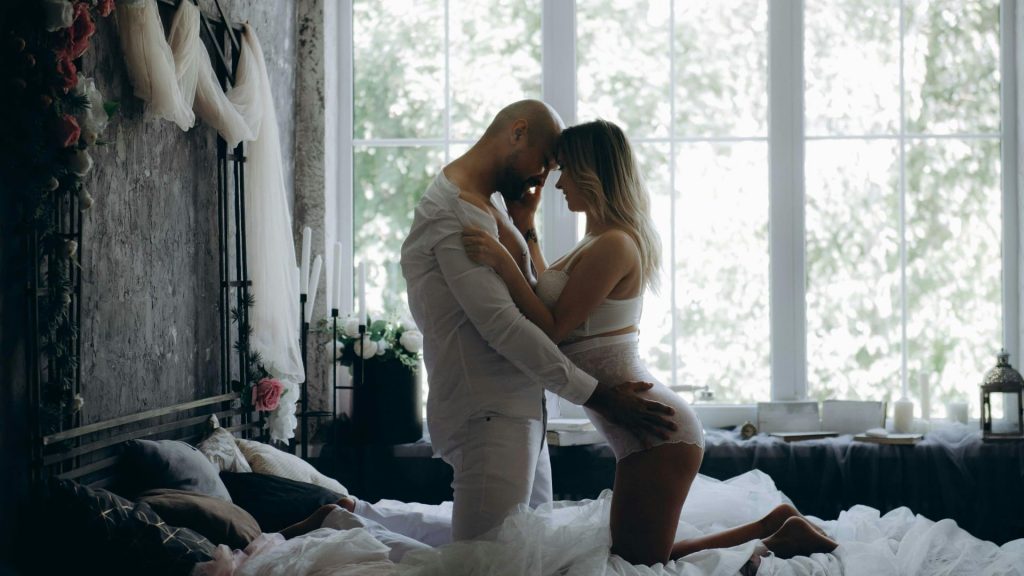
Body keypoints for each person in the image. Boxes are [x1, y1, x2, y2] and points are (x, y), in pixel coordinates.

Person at [461, 119, 838, 564]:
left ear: (592, 173)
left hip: (658, 433)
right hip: (643, 429)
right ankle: (772, 527)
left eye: (565, 170)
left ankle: (773, 538)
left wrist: (503, 263)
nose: (557, 183)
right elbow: (550, 292)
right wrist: (525, 227)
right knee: (636, 558)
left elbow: (553, 328)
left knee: (638, 566)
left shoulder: (615, 245)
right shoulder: (597, 239)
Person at [400, 100, 679, 543]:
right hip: (488, 414)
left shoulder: (490, 210)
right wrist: (600, 397)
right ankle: (344, 518)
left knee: (529, 556)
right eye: (547, 162)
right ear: (517, 132)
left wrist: (521, 231)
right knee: (484, 567)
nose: (548, 179)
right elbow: (507, 328)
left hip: (522, 410)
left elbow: (537, 302)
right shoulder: (455, 216)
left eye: (560, 168)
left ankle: (347, 516)